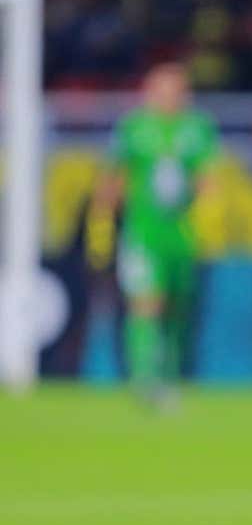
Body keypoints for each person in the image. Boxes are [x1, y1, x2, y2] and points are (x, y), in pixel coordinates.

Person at [89, 62, 220, 405]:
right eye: (163, 88)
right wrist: (101, 222)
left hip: (183, 234)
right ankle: (145, 380)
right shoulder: (133, 128)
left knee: (177, 308)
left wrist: (210, 217)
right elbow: (114, 177)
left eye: (176, 89)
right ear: (148, 91)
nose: (170, 95)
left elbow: (207, 177)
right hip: (143, 233)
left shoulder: (197, 127)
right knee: (146, 303)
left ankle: (174, 377)